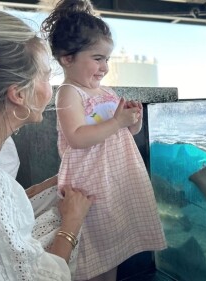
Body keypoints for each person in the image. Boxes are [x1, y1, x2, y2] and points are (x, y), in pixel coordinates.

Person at [0, 10, 94, 280]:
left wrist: (47, 185)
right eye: (44, 76)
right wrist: (71, 222)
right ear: (18, 94)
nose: (50, 88)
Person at [41, 0, 167, 280]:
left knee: (113, 250)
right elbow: (76, 138)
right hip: (93, 184)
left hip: (115, 180)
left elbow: (122, 133)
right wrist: (117, 121)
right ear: (67, 58)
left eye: (107, 59)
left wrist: (132, 122)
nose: (105, 67)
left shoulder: (106, 92)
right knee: (94, 253)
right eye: (97, 58)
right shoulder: (69, 93)